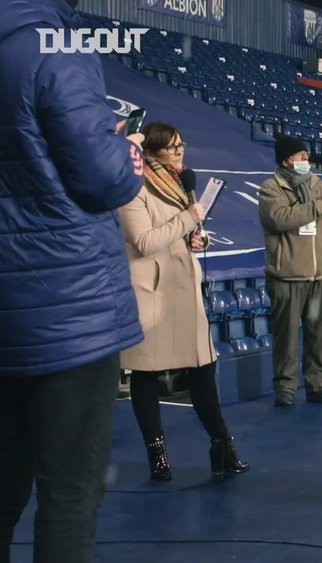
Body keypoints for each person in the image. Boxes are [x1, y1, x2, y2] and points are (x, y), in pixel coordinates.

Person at [0, 0, 146, 561]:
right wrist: (124, 148)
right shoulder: (59, 50)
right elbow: (102, 177)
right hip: (68, 311)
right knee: (69, 496)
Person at [119, 122, 249, 481]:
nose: (179, 151)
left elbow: (177, 231)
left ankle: (223, 446)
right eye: (172, 146)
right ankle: (157, 456)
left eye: (182, 145)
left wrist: (194, 238)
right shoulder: (133, 187)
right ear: (153, 150)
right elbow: (143, 241)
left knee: (203, 368)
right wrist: (187, 219)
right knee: (146, 375)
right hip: (152, 291)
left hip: (184, 288)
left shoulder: (179, 184)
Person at [259, 135, 322, 407]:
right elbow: (279, 219)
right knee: (286, 335)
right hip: (287, 275)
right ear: (287, 159)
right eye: (301, 156)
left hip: (320, 275)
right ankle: (285, 388)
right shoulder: (271, 188)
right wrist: (316, 207)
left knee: (318, 333)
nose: (306, 161)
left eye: (307, 155)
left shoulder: (318, 185)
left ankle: (318, 385)